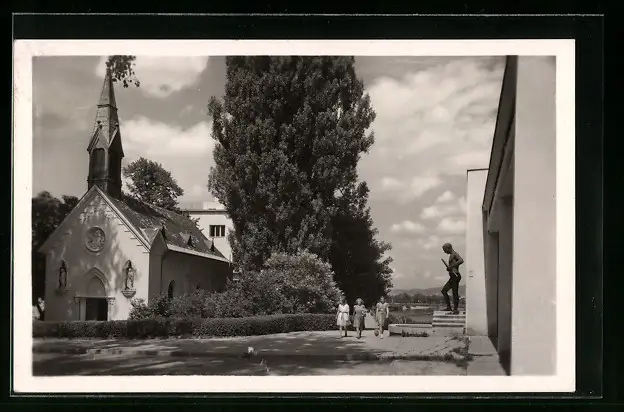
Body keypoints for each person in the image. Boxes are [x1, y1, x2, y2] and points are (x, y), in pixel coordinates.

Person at [441, 242, 464, 314]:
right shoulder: (451, 255)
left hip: (455, 276)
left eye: (445, 250)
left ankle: (455, 309)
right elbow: (452, 267)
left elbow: (461, 260)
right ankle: (449, 307)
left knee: (455, 292)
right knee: (444, 291)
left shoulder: (454, 254)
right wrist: (449, 268)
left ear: (448, 248)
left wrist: (451, 266)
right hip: (452, 276)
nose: (444, 252)